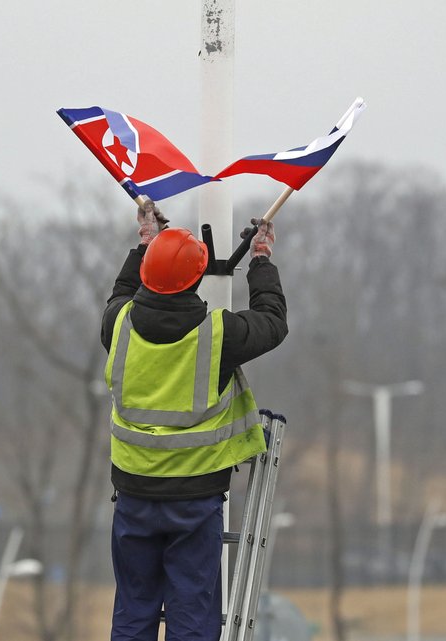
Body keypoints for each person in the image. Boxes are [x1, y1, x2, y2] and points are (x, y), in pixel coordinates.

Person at [101, 201, 288, 641]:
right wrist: (260, 260)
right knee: (192, 609)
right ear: (196, 279)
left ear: (147, 273)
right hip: (195, 498)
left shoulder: (118, 325)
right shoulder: (218, 335)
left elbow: (119, 294)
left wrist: (144, 246)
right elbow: (273, 323)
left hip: (133, 493)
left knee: (133, 606)